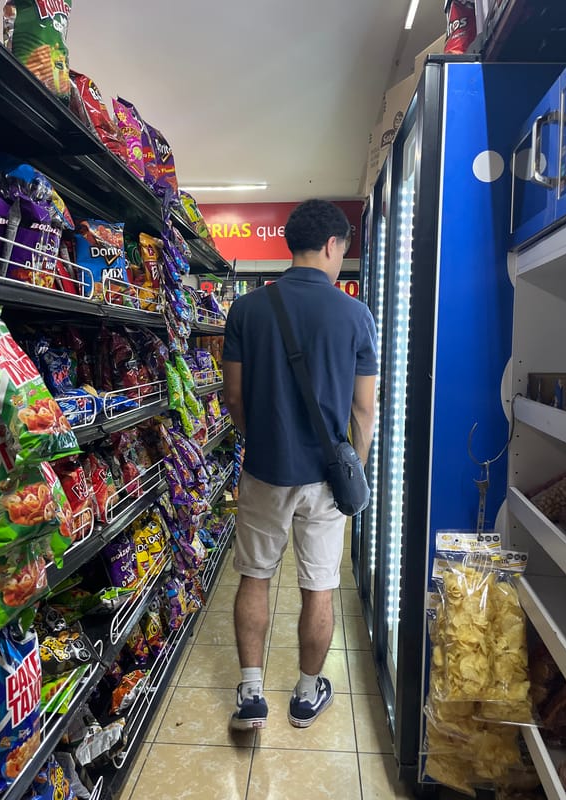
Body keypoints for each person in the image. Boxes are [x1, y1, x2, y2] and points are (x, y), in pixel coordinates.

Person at [222, 199, 377, 731]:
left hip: (265, 469)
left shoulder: (247, 309)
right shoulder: (355, 314)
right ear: (333, 246)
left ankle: (250, 694)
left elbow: (234, 398)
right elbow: (364, 408)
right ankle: (307, 695)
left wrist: (259, 440)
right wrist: (352, 464)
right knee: (319, 587)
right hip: (324, 481)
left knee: (255, 579)